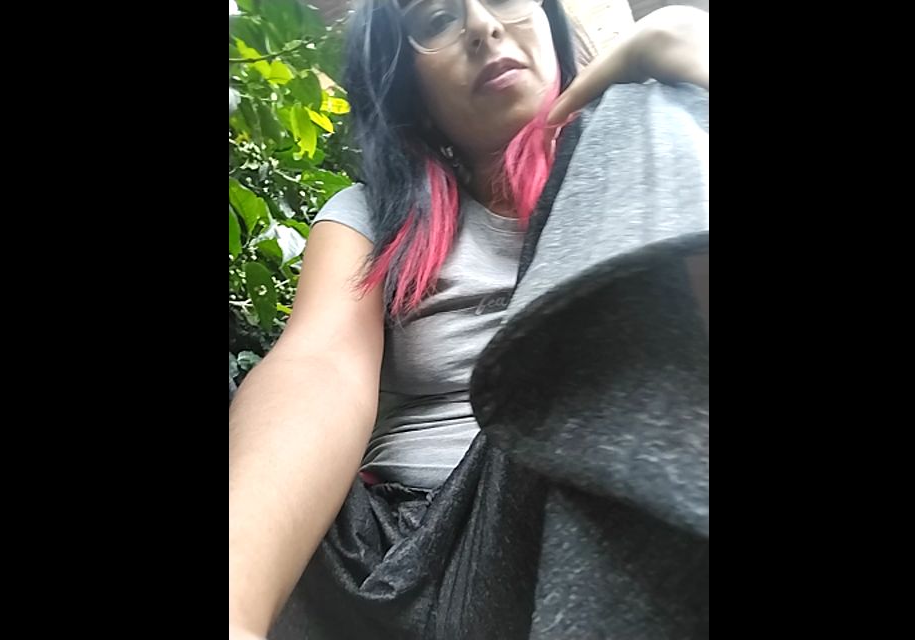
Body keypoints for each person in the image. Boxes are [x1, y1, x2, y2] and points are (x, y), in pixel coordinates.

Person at [229, 2, 708, 638]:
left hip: (564, 529)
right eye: (436, 19)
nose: (483, 26)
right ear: (413, 92)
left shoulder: (644, 141)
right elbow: (320, 367)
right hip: (379, 554)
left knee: (643, 112)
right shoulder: (372, 215)